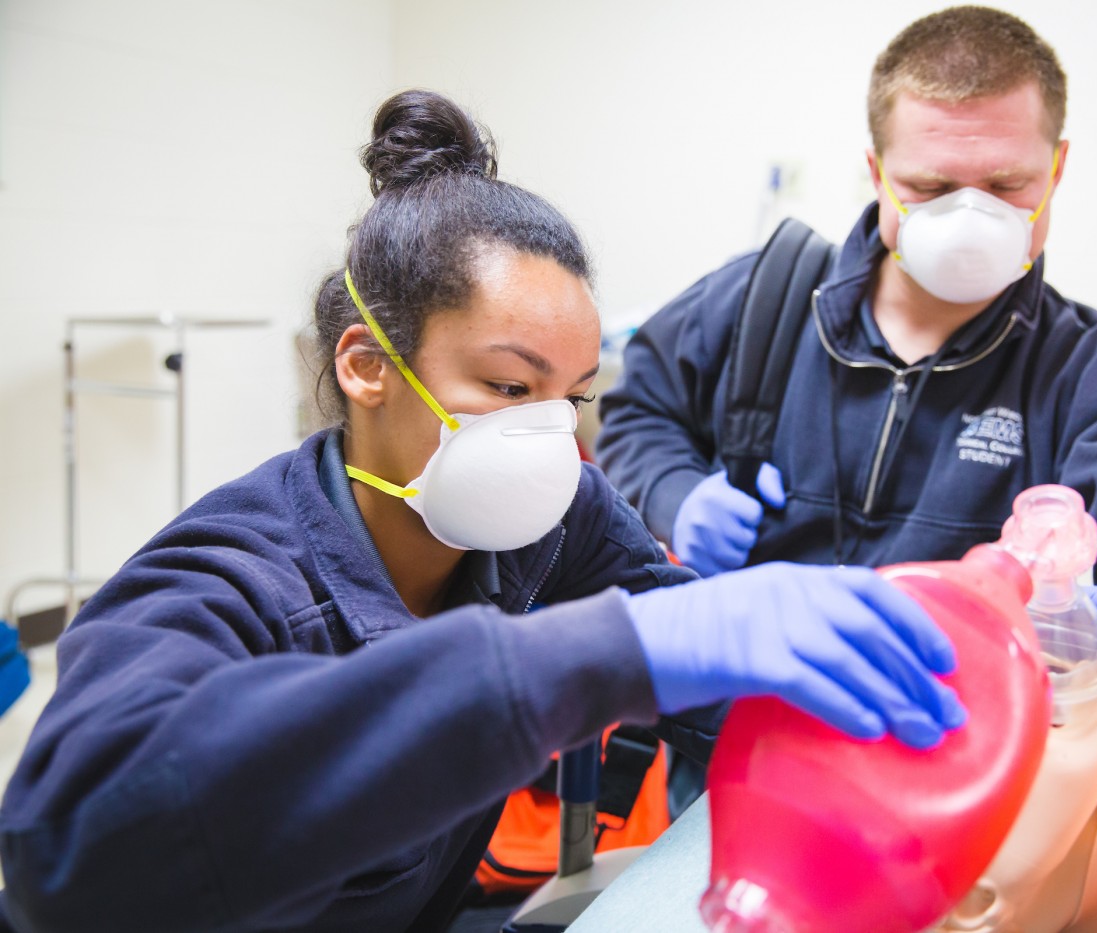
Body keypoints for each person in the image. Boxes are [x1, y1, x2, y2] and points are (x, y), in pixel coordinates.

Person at [0, 90, 968, 933]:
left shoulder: (555, 519)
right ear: (366, 366)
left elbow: (717, 684)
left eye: (572, 396)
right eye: (509, 387)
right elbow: (71, 851)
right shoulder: (231, 578)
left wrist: (940, 691)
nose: (550, 436)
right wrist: (600, 655)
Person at [594, 5, 1097, 766]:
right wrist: (673, 493)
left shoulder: (1081, 368)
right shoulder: (763, 299)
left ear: (1056, 170)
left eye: (1006, 184)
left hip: (937, 762)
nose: (969, 218)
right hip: (732, 745)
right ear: (877, 172)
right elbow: (640, 407)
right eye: (931, 187)